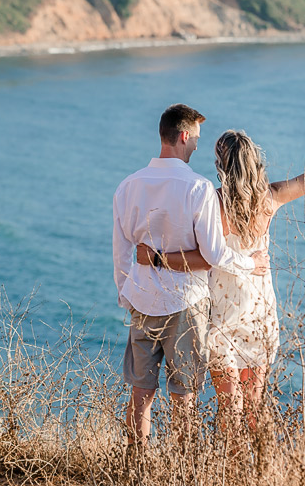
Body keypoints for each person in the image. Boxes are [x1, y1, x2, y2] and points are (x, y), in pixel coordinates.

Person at [137, 129, 305, 434]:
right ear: (254, 162)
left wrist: (155, 258)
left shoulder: (211, 205)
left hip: (221, 317)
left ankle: (234, 475)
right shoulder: (271, 198)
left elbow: (195, 257)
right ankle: (264, 470)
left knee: (230, 408)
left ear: (221, 165)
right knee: (254, 404)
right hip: (259, 314)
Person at [112, 105, 270, 450]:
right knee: (184, 397)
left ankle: (135, 466)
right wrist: (249, 263)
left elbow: (122, 252)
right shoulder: (198, 189)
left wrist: (127, 294)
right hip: (186, 303)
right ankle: (182, 468)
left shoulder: (128, 186)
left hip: (141, 301)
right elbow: (214, 255)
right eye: (196, 138)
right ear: (184, 136)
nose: (198, 146)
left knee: (141, 394)